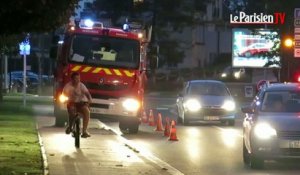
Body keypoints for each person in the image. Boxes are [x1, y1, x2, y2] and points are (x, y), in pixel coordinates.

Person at [62, 72, 92, 138]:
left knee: (87, 112)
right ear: (72, 79)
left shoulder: (82, 86)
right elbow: (63, 96)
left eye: (79, 78)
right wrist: (65, 100)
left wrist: (89, 100)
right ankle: (70, 127)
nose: (77, 80)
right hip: (71, 103)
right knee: (72, 113)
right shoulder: (67, 86)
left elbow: (87, 94)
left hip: (81, 104)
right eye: (76, 78)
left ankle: (84, 131)